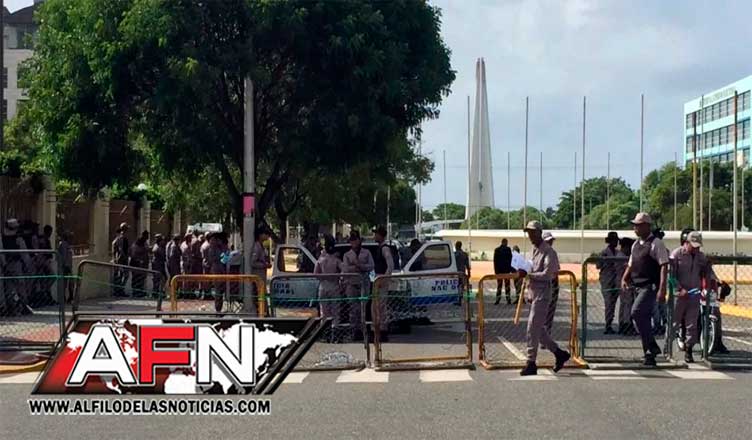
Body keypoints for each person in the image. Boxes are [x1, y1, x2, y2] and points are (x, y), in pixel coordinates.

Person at [518, 221, 570, 376]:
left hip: (543, 294)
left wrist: (528, 275)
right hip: (533, 293)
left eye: (532, 233)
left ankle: (531, 362)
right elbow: (532, 268)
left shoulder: (549, 252)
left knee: (532, 327)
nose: (530, 236)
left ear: (539, 233)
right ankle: (559, 353)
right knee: (539, 331)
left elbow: (548, 275)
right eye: (528, 233)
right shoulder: (534, 250)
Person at [620, 213, 670, 367]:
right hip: (637, 286)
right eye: (635, 225)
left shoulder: (656, 243)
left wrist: (662, 289)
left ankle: (651, 348)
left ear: (647, 226)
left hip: (650, 286)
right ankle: (649, 351)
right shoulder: (636, 244)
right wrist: (624, 278)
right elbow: (631, 264)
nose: (635, 228)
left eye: (639, 225)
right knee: (643, 319)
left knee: (636, 312)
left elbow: (664, 266)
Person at [670, 231, 714, 363]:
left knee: (692, 325)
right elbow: (670, 276)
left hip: (694, 295)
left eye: (698, 246)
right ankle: (668, 349)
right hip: (679, 296)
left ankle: (688, 350)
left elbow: (706, 272)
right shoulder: (676, 254)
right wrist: (679, 289)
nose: (696, 249)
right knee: (674, 323)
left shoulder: (701, 257)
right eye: (694, 246)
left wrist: (707, 280)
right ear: (686, 243)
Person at [341, 230, 374, 341]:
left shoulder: (366, 252)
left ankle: (364, 330)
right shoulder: (347, 255)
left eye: (355, 239)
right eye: (352, 240)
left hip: (364, 283)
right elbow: (345, 269)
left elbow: (371, 265)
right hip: (351, 284)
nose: (354, 242)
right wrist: (354, 267)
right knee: (353, 308)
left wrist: (361, 266)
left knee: (363, 308)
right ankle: (354, 331)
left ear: (359, 240)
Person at [314, 234, 343, 341]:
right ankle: (335, 336)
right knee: (335, 312)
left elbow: (315, 274)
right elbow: (344, 270)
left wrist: (323, 277)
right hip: (334, 286)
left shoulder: (321, 259)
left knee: (324, 312)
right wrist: (339, 278)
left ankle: (325, 335)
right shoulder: (336, 260)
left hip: (323, 286)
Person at [1, 219, 32, 316]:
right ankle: (23, 306)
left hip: (7, 265)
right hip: (15, 264)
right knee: (20, 286)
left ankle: (12, 308)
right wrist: (28, 266)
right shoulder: (18, 239)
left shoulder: (3, 238)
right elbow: (24, 255)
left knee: (9, 288)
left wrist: (4, 264)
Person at [597, 231, 623, 334]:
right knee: (608, 303)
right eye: (614, 240)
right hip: (607, 281)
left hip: (616, 280)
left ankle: (611, 323)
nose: (616, 242)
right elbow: (598, 265)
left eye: (616, 240)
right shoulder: (604, 253)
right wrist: (605, 261)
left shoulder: (618, 253)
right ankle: (608, 325)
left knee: (613, 303)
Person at [372, 225, 394, 342]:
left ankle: (383, 331)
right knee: (375, 307)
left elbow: (390, 265)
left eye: (376, 234)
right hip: (378, 278)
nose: (374, 236)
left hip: (381, 279)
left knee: (380, 306)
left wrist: (384, 279)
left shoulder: (385, 248)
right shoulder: (380, 247)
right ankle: (377, 331)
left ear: (381, 235)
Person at [250, 226, 272, 314]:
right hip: (257, 276)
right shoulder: (256, 246)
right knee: (260, 295)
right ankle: (262, 313)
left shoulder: (262, 246)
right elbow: (253, 262)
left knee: (262, 295)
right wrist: (264, 265)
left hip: (261, 276)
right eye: (266, 234)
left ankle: (264, 312)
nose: (267, 237)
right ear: (260, 235)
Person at [618, 236, 636, 335]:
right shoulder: (621, 256)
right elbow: (628, 268)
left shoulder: (623, 255)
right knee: (627, 304)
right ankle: (627, 324)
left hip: (625, 282)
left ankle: (624, 324)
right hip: (625, 282)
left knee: (625, 304)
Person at [542, 232, 560, 335]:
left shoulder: (553, 253)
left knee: (550, 310)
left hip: (552, 283)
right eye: (548, 241)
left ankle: (547, 332)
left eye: (551, 241)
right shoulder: (538, 253)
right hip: (541, 284)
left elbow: (556, 270)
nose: (550, 243)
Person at [111, 222, 130, 297]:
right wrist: (124, 258)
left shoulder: (120, 237)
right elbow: (120, 249)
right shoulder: (121, 237)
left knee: (121, 276)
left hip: (120, 259)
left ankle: (119, 290)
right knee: (124, 275)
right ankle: (119, 290)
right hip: (121, 260)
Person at [129, 232, 150, 297]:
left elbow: (146, 250)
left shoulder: (144, 242)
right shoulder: (138, 242)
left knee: (141, 279)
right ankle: (135, 292)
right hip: (136, 264)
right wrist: (139, 260)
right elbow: (134, 253)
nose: (148, 237)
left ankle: (140, 291)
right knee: (136, 278)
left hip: (143, 265)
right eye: (147, 236)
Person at [493, 238, 513, 305]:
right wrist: (510, 270)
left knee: (499, 286)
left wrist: (496, 271)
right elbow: (510, 260)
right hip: (506, 271)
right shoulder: (508, 250)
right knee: (507, 286)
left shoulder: (497, 250)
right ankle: (508, 299)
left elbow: (495, 262)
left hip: (499, 271)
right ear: (506, 242)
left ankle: (497, 300)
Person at [58, 231, 75, 303]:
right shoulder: (63, 244)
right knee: (65, 283)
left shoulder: (68, 245)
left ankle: (70, 297)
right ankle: (63, 298)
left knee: (71, 282)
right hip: (65, 266)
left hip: (69, 266)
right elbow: (64, 256)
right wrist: (65, 265)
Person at [151, 234, 167, 298]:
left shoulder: (160, 246)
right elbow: (159, 254)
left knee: (164, 278)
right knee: (157, 279)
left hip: (161, 265)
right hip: (157, 265)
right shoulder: (157, 247)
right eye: (162, 240)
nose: (163, 241)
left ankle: (160, 291)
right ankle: (155, 293)